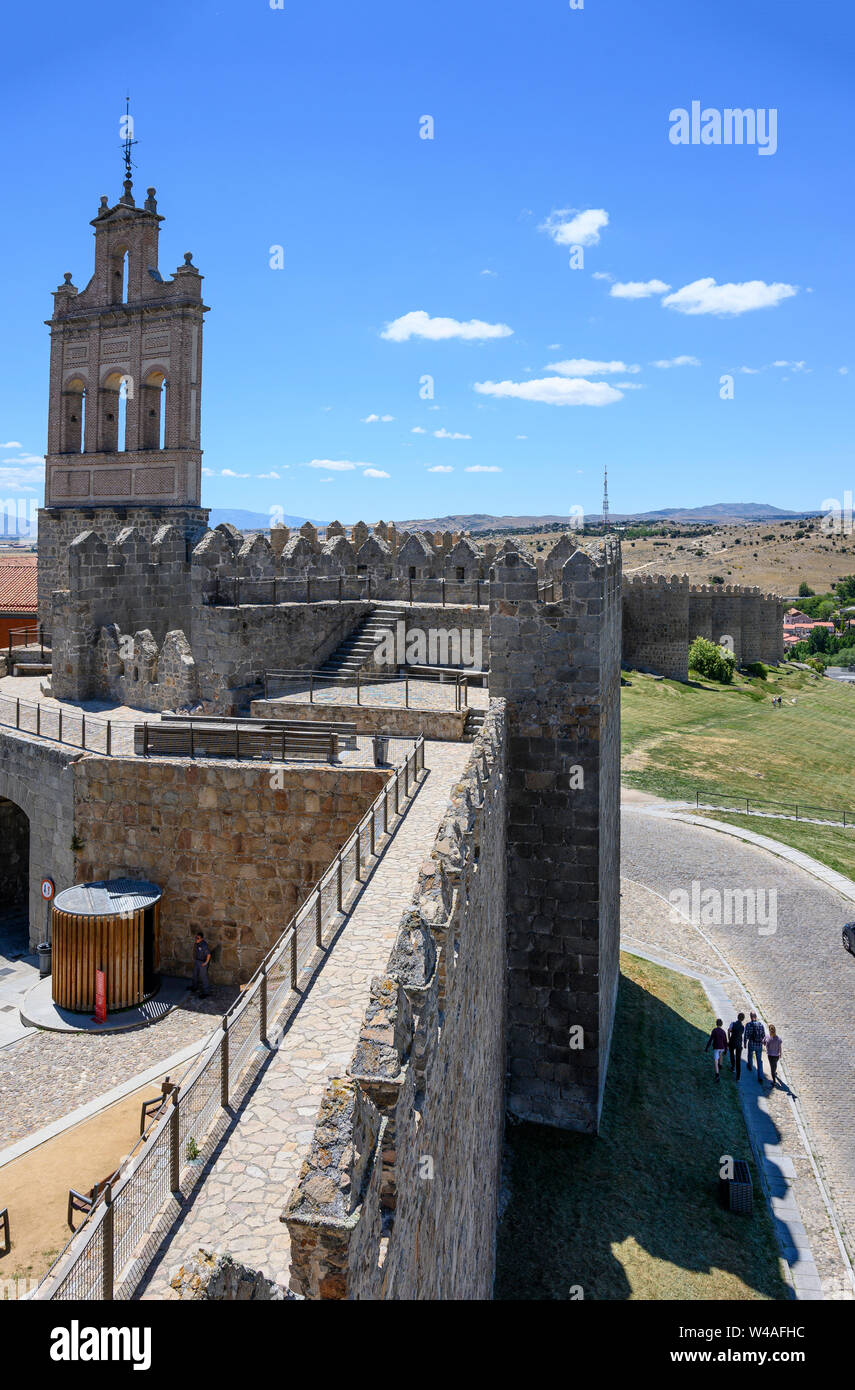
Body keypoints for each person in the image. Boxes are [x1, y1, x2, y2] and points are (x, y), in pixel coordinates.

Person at [744, 1011, 766, 1082]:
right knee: (759, 1060)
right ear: (756, 1017)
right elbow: (763, 1035)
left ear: (750, 1017)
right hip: (759, 1045)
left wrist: (744, 1043)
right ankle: (760, 1076)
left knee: (750, 1055)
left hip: (751, 1043)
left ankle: (750, 1065)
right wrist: (764, 1043)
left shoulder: (748, 1025)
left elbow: (746, 1035)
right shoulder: (761, 1025)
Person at [191, 931, 212, 999]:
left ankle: (206, 992)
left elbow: (208, 954)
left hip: (202, 963)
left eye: (198, 938)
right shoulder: (197, 943)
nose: (196, 939)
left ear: (201, 939)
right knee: (195, 974)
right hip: (197, 961)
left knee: (204, 977)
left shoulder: (204, 945)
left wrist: (206, 963)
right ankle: (194, 987)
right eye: (196, 937)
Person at [728, 1012, 745, 1079]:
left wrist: (729, 1038)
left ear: (737, 1017)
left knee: (732, 1054)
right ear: (743, 1019)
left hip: (732, 1041)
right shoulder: (742, 1027)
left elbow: (729, 1030)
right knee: (738, 1060)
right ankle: (738, 1076)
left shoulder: (733, 1024)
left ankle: (732, 1066)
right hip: (739, 1043)